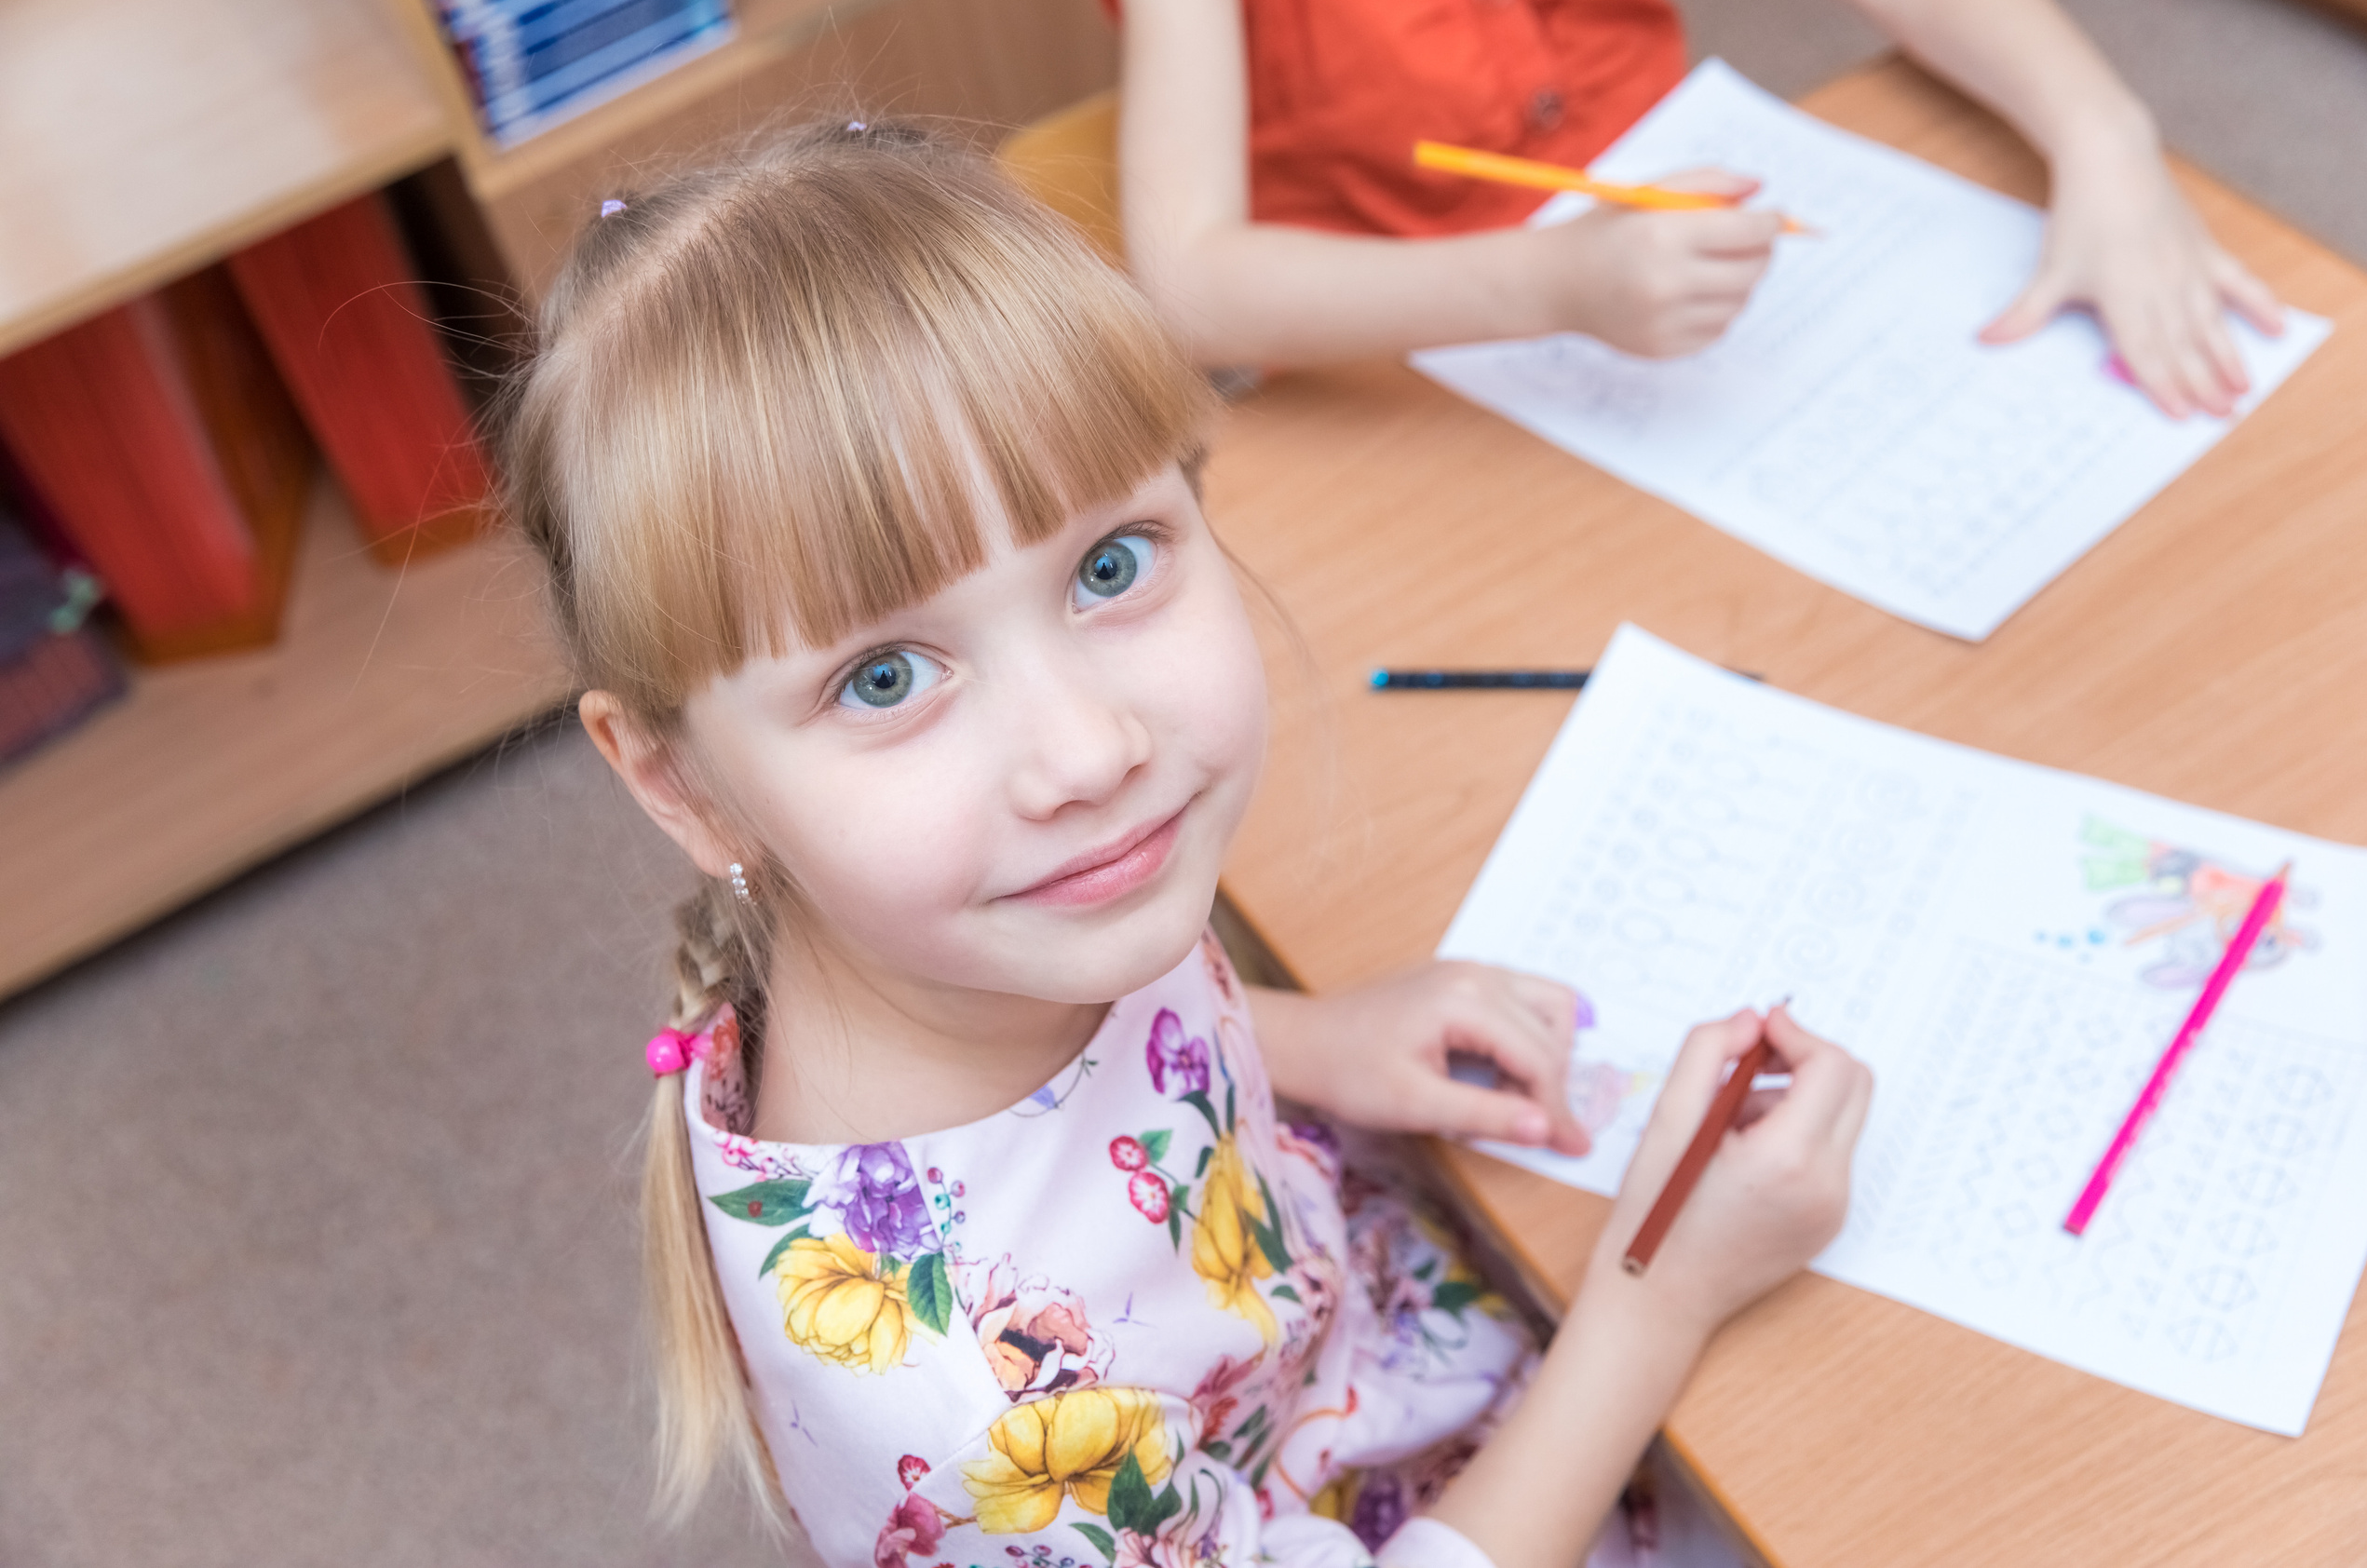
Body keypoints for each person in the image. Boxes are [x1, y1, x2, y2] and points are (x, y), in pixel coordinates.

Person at [496, 119, 1871, 1568]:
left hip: (1358, 1345)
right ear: (680, 782)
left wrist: (1309, 1038)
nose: (1092, 751)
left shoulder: (988, 928)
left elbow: (1102, 1072)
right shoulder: (988, 1433)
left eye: (1107, 564)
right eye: (886, 677)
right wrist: (1657, 1292)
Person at [1108, 0, 2286, 419]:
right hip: (1404, 358)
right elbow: (1189, 286)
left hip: (1690, 293)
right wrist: (1554, 282)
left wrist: (2106, 137)